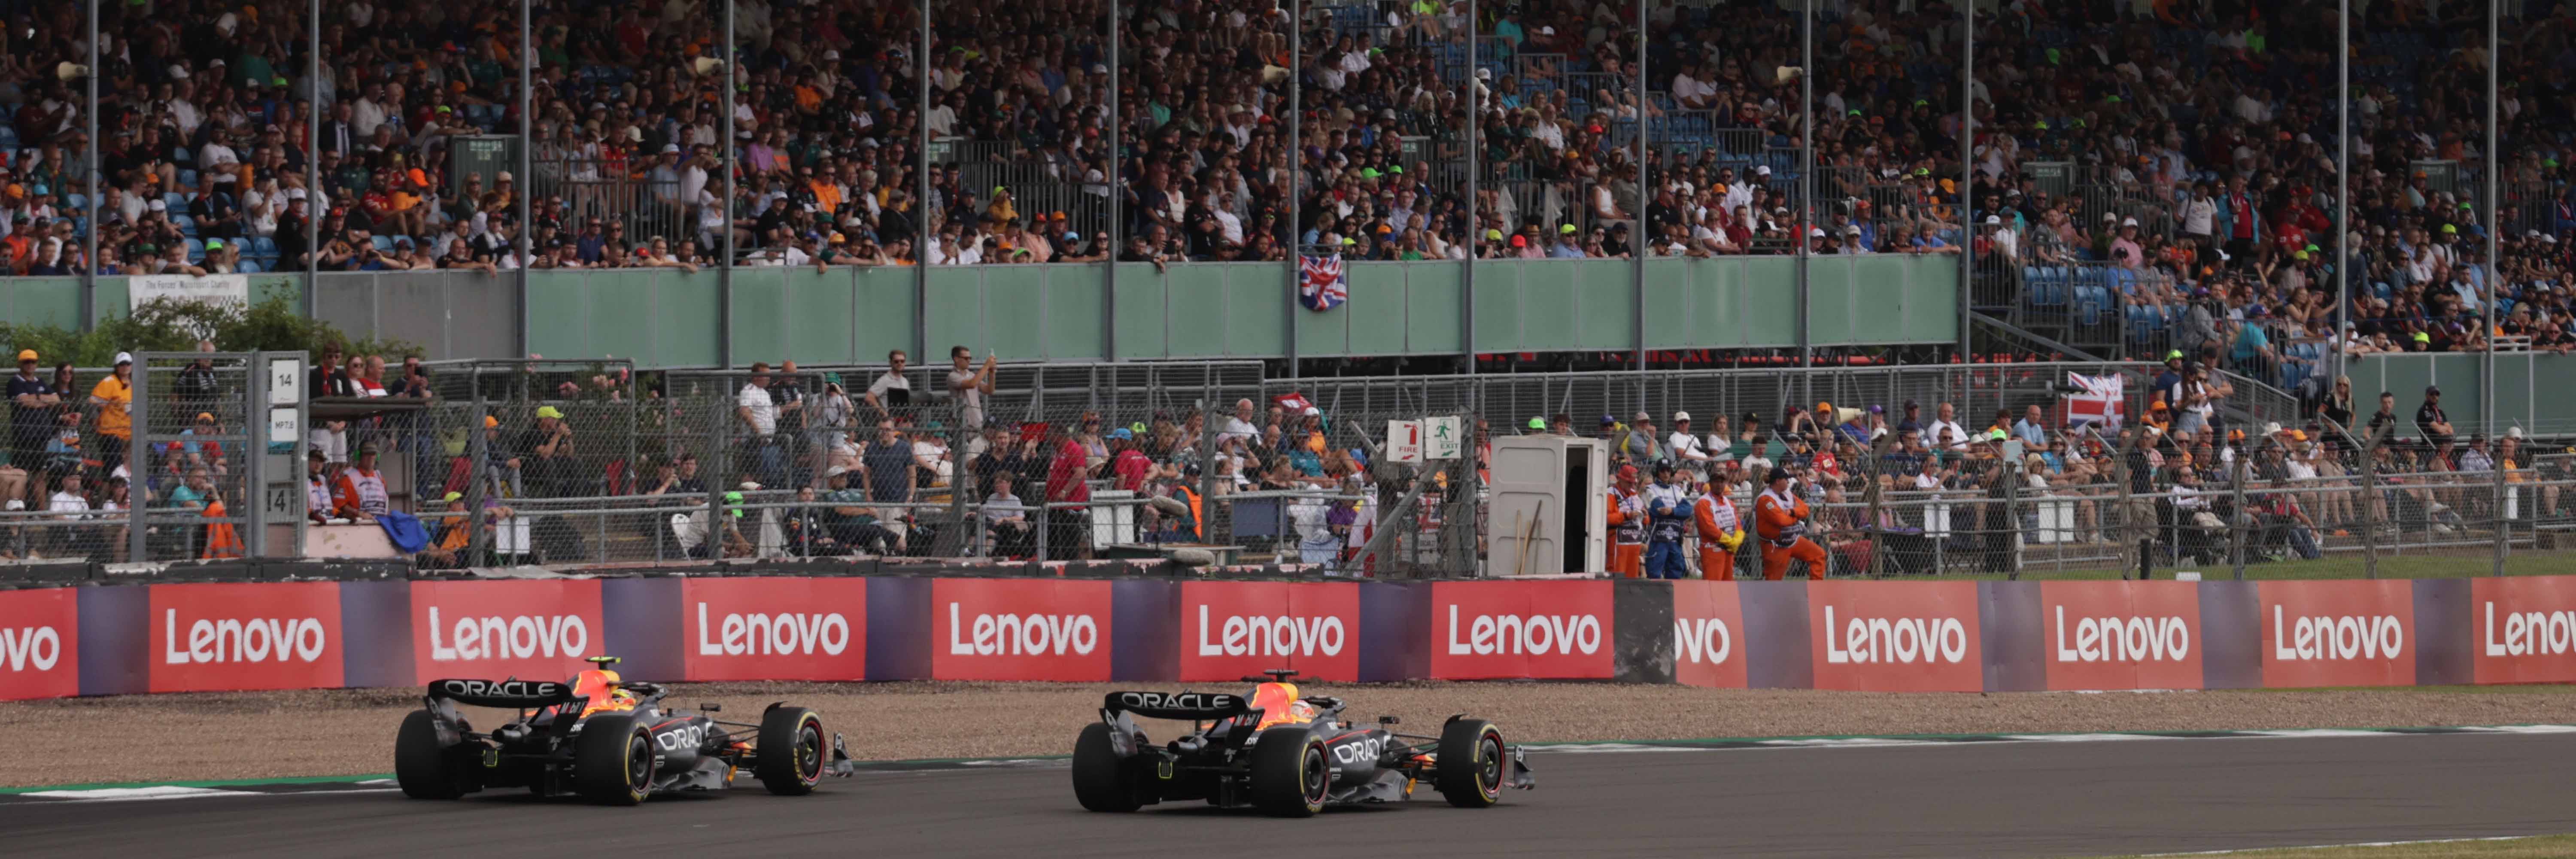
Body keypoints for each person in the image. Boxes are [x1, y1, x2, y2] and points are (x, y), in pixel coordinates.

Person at [1755, 467, 1828, 580]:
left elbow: (1805, 510)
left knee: (1818, 555)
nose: (1789, 482)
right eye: (1786, 479)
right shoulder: (1765, 500)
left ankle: (1815, 590)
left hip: (1792, 540)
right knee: (1773, 582)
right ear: (1778, 481)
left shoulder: (1787, 494)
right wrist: (1795, 518)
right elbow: (1782, 521)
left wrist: (1793, 512)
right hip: (1776, 545)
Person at [1692, 464, 1746, 580]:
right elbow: (1708, 527)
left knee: (1727, 585)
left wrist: (1737, 539)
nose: (1719, 485)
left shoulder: (1729, 503)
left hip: (1729, 550)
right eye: (1716, 481)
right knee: (1713, 585)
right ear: (1710, 484)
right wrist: (1729, 541)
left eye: (1722, 482)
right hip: (1712, 549)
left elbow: (1738, 524)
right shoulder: (1703, 503)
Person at [1642, 460, 1692, 579]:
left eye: (1668, 470)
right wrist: (1678, 512)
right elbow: (1658, 509)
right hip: (1657, 539)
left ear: (1672, 472)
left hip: (1675, 539)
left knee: (1676, 573)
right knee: (1654, 573)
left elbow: (1688, 510)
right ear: (1657, 472)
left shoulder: (1678, 490)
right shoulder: (1649, 489)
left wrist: (1673, 511)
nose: (1666, 474)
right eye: (1662, 471)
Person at [1604, 464, 1645, 577]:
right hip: (1617, 543)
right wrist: (1626, 516)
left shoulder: (1634, 495)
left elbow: (1646, 520)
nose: (1632, 485)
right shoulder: (1610, 494)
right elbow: (1606, 519)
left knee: (1632, 577)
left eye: (1634, 483)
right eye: (1629, 482)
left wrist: (1645, 516)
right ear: (1620, 479)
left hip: (1634, 543)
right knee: (1617, 576)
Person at [333, 444, 392, 520]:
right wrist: (358, 513)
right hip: (361, 523)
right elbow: (339, 504)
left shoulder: (380, 478)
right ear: (359, 456)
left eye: (373, 454)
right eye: (367, 454)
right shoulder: (349, 478)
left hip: (382, 522)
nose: (370, 458)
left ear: (377, 457)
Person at [946, 345, 996, 428]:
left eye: (970, 358)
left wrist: (992, 373)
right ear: (956, 359)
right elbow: (971, 384)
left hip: (977, 419)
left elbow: (989, 390)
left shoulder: (971, 375)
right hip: (962, 421)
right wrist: (987, 366)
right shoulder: (952, 376)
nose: (969, 361)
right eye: (966, 358)